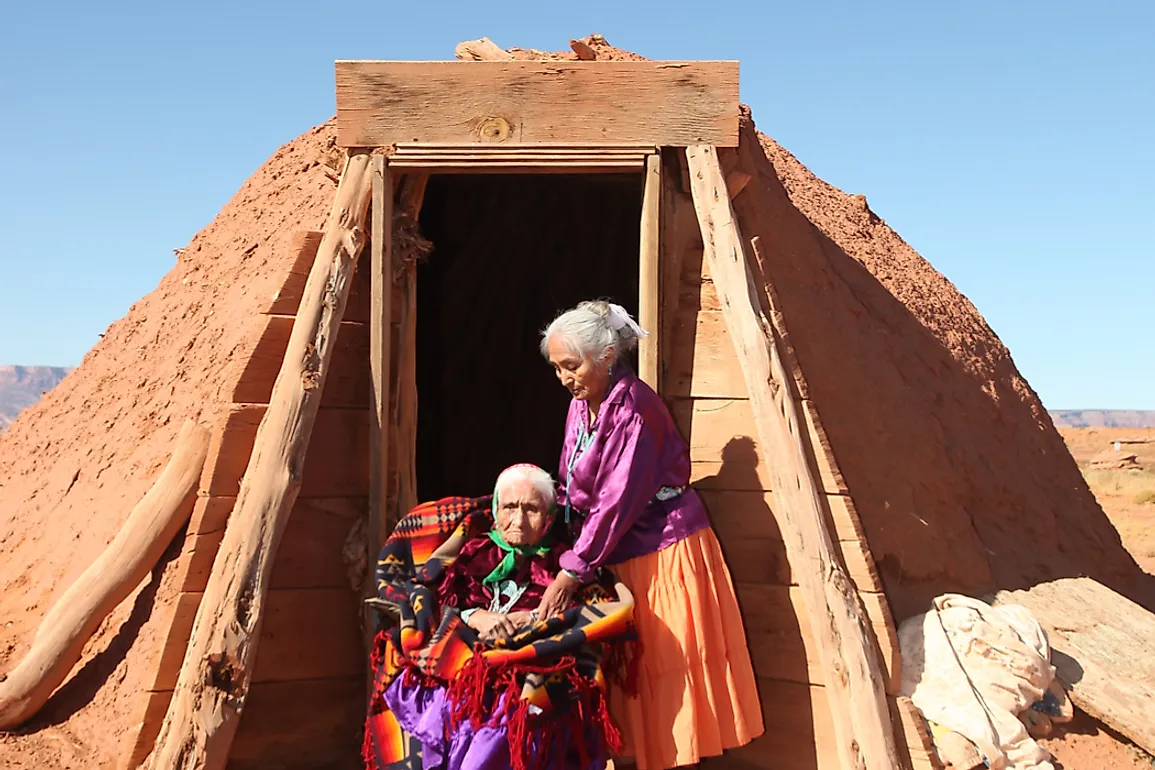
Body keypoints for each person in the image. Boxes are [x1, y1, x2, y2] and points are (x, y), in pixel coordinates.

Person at [537, 300, 764, 770]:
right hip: (615, 551)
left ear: (604, 356)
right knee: (633, 679)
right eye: (557, 369)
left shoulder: (634, 407)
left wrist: (573, 569)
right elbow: (576, 483)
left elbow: (619, 496)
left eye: (571, 366)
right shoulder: (582, 406)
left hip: (663, 552)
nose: (564, 379)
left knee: (667, 674)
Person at [364, 464, 635, 770]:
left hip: (526, 664)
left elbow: (589, 615)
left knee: (507, 711)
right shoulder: (471, 551)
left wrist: (533, 620)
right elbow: (436, 598)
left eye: (531, 509)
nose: (518, 520)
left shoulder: (566, 567)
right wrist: (475, 615)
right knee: (435, 689)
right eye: (509, 507)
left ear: (548, 519)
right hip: (469, 656)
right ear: (495, 510)